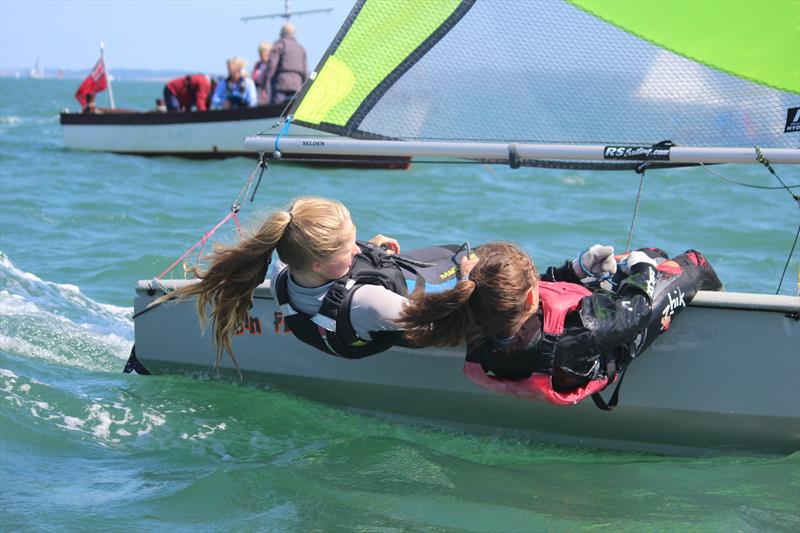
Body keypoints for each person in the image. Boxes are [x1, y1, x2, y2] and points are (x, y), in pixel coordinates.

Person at [399, 242, 723, 409]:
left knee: (652, 253)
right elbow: (634, 311)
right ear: (529, 300)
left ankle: (642, 262)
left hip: (575, 341)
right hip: (615, 332)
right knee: (689, 263)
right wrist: (641, 271)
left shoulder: (477, 320)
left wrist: (574, 271)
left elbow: (524, 293)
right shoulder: (580, 330)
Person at [164, 197, 435, 366]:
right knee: (467, 258)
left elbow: (300, 244)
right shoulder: (371, 303)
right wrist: (470, 276)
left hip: (339, 318)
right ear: (318, 263)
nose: (357, 250)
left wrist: (371, 249)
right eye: (349, 247)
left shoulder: (283, 271)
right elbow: (435, 322)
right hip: (384, 318)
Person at [265, 23, 308, 106]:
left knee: (277, 110)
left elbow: (272, 65)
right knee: (293, 109)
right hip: (297, 84)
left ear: (281, 33)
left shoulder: (279, 45)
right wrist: (305, 86)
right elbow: (305, 70)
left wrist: (266, 80)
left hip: (281, 83)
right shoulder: (301, 48)